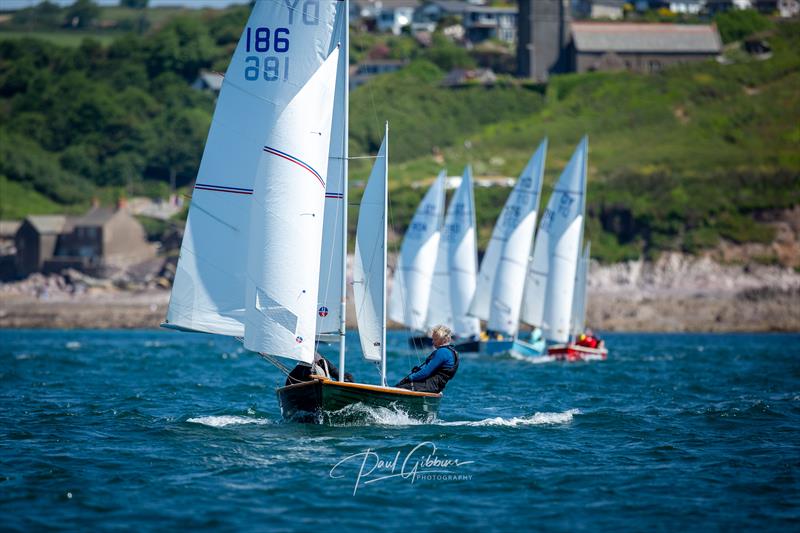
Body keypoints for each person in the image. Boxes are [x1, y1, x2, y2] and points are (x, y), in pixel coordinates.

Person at [395, 325, 459, 393]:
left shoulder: (442, 352)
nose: (432, 342)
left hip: (429, 386)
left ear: (443, 339)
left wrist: (409, 378)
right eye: (432, 339)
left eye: (435, 339)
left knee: (399, 387)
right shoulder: (452, 352)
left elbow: (425, 372)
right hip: (436, 387)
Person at [285, 352, 353, 386]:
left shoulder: (323, 362)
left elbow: (335, 373)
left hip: (323, 386)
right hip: (308, 390)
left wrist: (346, 381)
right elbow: (288, 384)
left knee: (346, 377)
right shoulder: (299, 369)